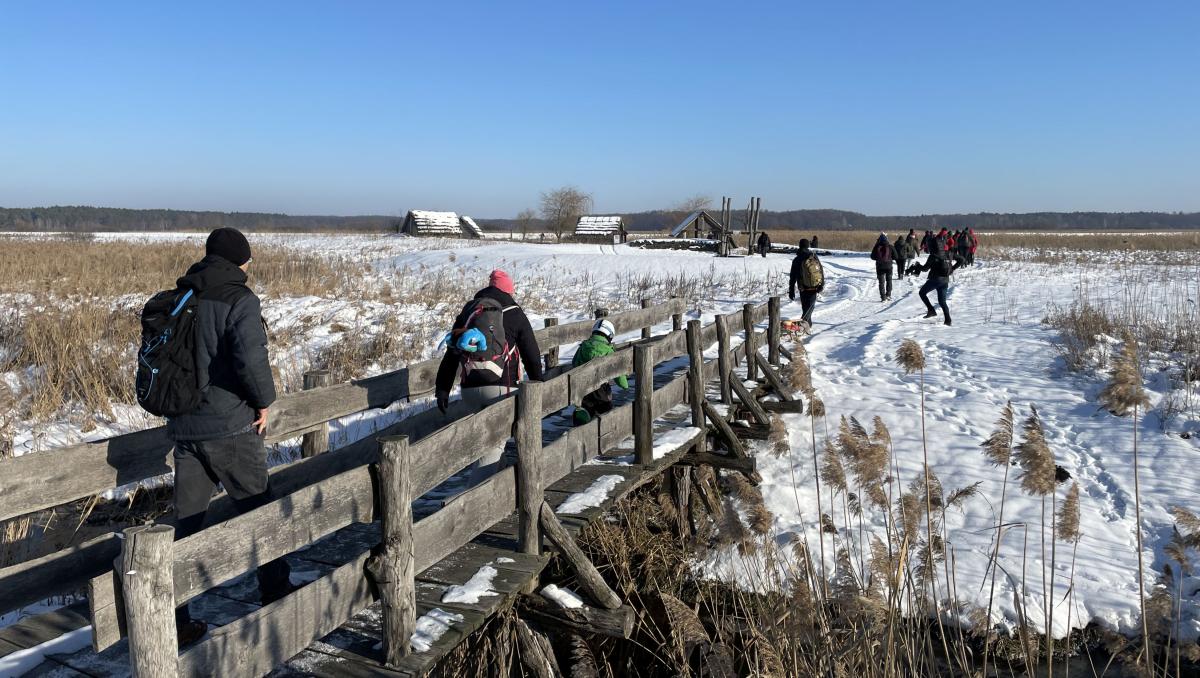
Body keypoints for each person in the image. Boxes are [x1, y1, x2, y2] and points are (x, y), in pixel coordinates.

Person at [167, 227, 295, 645]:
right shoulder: (239, 299)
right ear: (240, 261)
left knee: (185, 528)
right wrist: (264, 402)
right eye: (248, 260)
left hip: (185, 428)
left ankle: (173, 620)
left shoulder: (183, 295)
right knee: (260, 511)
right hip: (229, 426)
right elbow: (250, 359)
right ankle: (276, 593)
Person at [435, 269, 544, 486]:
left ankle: (501, 495)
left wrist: (443, 388)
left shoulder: (469, 312)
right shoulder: (514, 312)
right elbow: (531, 354)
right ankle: (472, 500)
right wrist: (538, 385)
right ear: (508, 291)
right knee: (493, 445)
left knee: (491, 443)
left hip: (469, 389)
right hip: (501, 388)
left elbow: (452, 351)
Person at [570, 319, 628, 425]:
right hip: (601, 390)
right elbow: (618, 372)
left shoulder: (583, 347)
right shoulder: (609, 351)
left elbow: (574, 364)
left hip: (583, 389)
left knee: (587, 406)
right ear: (609, 335)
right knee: (606, 410)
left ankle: (584, 414)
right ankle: (605, 425)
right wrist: (624, 385)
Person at [910, 235, 961, 326]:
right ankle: (948, 320)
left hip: (935, 280)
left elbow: (925, 269)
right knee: (942, 302)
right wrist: (952, 269)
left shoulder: (933, 256)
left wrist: (918, 266)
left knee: (922, 293)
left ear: (932, 246)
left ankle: (931, 310)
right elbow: (962, 260)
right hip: (945, 280)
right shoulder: (948, 253)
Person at [788, 239, 825, 327]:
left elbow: (792, 277)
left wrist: (791, 290)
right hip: (814, 286)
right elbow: (820, 270)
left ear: (799, 245)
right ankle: (805, 325)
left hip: (802, 287)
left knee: (806, 308)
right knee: (809, 308)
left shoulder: (797, 259)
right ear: (808, 246)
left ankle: (804, 324)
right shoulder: (813, 256)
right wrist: (821, 284)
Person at [869, 233, 894, 302]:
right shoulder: (890, 246)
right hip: (889, 266)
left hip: (880, 267)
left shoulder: (877, 247)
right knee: (889, 281)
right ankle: (888, 295)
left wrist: (878, 258)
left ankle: (883, 297)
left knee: (881, 283)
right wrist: (890, 258)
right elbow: (896, 256)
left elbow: (872, 257)